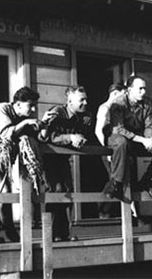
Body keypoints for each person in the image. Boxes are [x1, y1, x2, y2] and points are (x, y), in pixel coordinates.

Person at [0, 87, 57, 244]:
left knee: (3, 193)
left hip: (3, 160)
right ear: (18, 105)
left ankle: (5, 231)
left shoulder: (23, 117)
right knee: (2, 192)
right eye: (30, 105)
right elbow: (7, 133)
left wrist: (44, 124)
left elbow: (40, 137)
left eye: (35, 106)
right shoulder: (2, 108)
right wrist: (26, 123)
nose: (33, 110)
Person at [105, 75, 152, 205]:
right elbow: (119, 129)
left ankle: (148, 182)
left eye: (144, 89)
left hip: (138, 140)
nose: (143, 92)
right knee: (121, 142)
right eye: (140, 89)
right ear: (129, 89)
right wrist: (142, 140)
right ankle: (116, 182)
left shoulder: (146, 104)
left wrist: (149, 140)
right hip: (119, 138)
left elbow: (149, 126)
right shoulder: (118, 103)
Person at [42, 85, 93, 241]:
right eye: (81, 100)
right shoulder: (57, 113)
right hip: (48, 158)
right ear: (69, 101)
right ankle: (51, 235)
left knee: (68, 191)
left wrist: (80, 139)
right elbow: (48, 136)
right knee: (55, 192)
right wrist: (71, 138)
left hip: (63, 159)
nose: (85, 103)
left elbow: (84, 135)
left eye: (86, 99)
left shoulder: (86, 117)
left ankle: (64, 233)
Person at [95, 82, 127, 147]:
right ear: (115, 93)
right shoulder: (105, 108)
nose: (125, 98)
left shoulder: (119, 108)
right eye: (124, 94)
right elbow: (98, 131)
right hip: (110, 145)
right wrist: (106, 149)